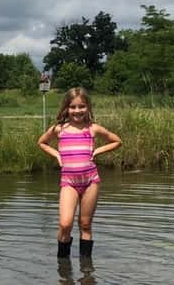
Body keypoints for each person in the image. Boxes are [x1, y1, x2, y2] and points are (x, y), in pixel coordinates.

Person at [37, 87, 122, 259]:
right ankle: (63, 266)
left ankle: (86, 269)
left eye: (81, 106)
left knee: (85, 224)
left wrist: (97, 151)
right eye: (73, 107)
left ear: (88, 107)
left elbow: (116, 141)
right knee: (65, 223)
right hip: (69, 182)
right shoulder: (59, 129)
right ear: (66, 108)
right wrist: (57, 155)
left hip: (91, 181)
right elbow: (42, 142)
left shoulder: (93, 129)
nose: (77, 111)